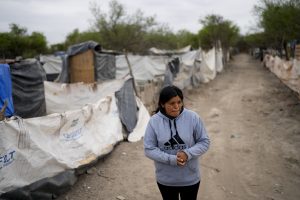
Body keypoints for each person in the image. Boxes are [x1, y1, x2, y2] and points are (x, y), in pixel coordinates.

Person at [144, 85, 210, 200]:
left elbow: (204, 142)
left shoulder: (193, 118)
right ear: (162, 104)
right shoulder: (154, 122)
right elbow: (149, 149)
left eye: (179, 102)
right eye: (172, 103)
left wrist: (187, 153)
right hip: (166, 180)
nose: (177, 106)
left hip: (190, 179)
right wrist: (171, 159)